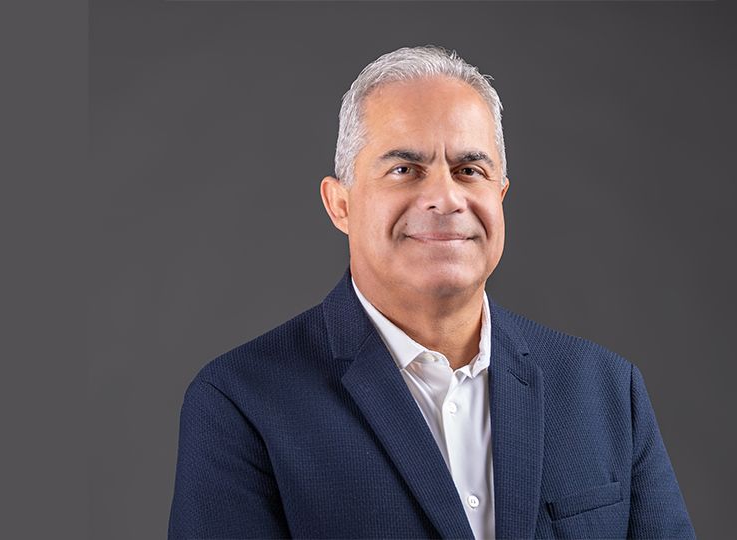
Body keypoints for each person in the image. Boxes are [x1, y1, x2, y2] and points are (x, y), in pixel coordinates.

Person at [168, 45, 695, 539]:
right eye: (404, 169)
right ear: (340, 204)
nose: (445, 198)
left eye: (469, 170)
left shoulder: (606, 390)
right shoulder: (241, 401)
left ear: (500, 195)